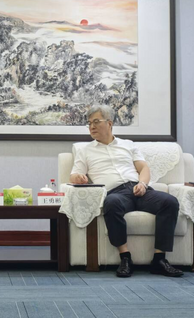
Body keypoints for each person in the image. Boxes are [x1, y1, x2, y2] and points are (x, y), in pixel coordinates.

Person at [69, 104, 183, 278]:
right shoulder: (85, 150)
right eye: (89, 123)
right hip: (115, 194)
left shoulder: (127, 145)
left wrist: (143, 184)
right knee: (111, 203)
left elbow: (143, 168)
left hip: (138, 189)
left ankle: (159, 259)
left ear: (109, 123)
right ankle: (125, 258)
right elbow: (74, 175)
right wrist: (79, 178)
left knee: (170, 202)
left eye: (96, 122)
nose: (92, 126)